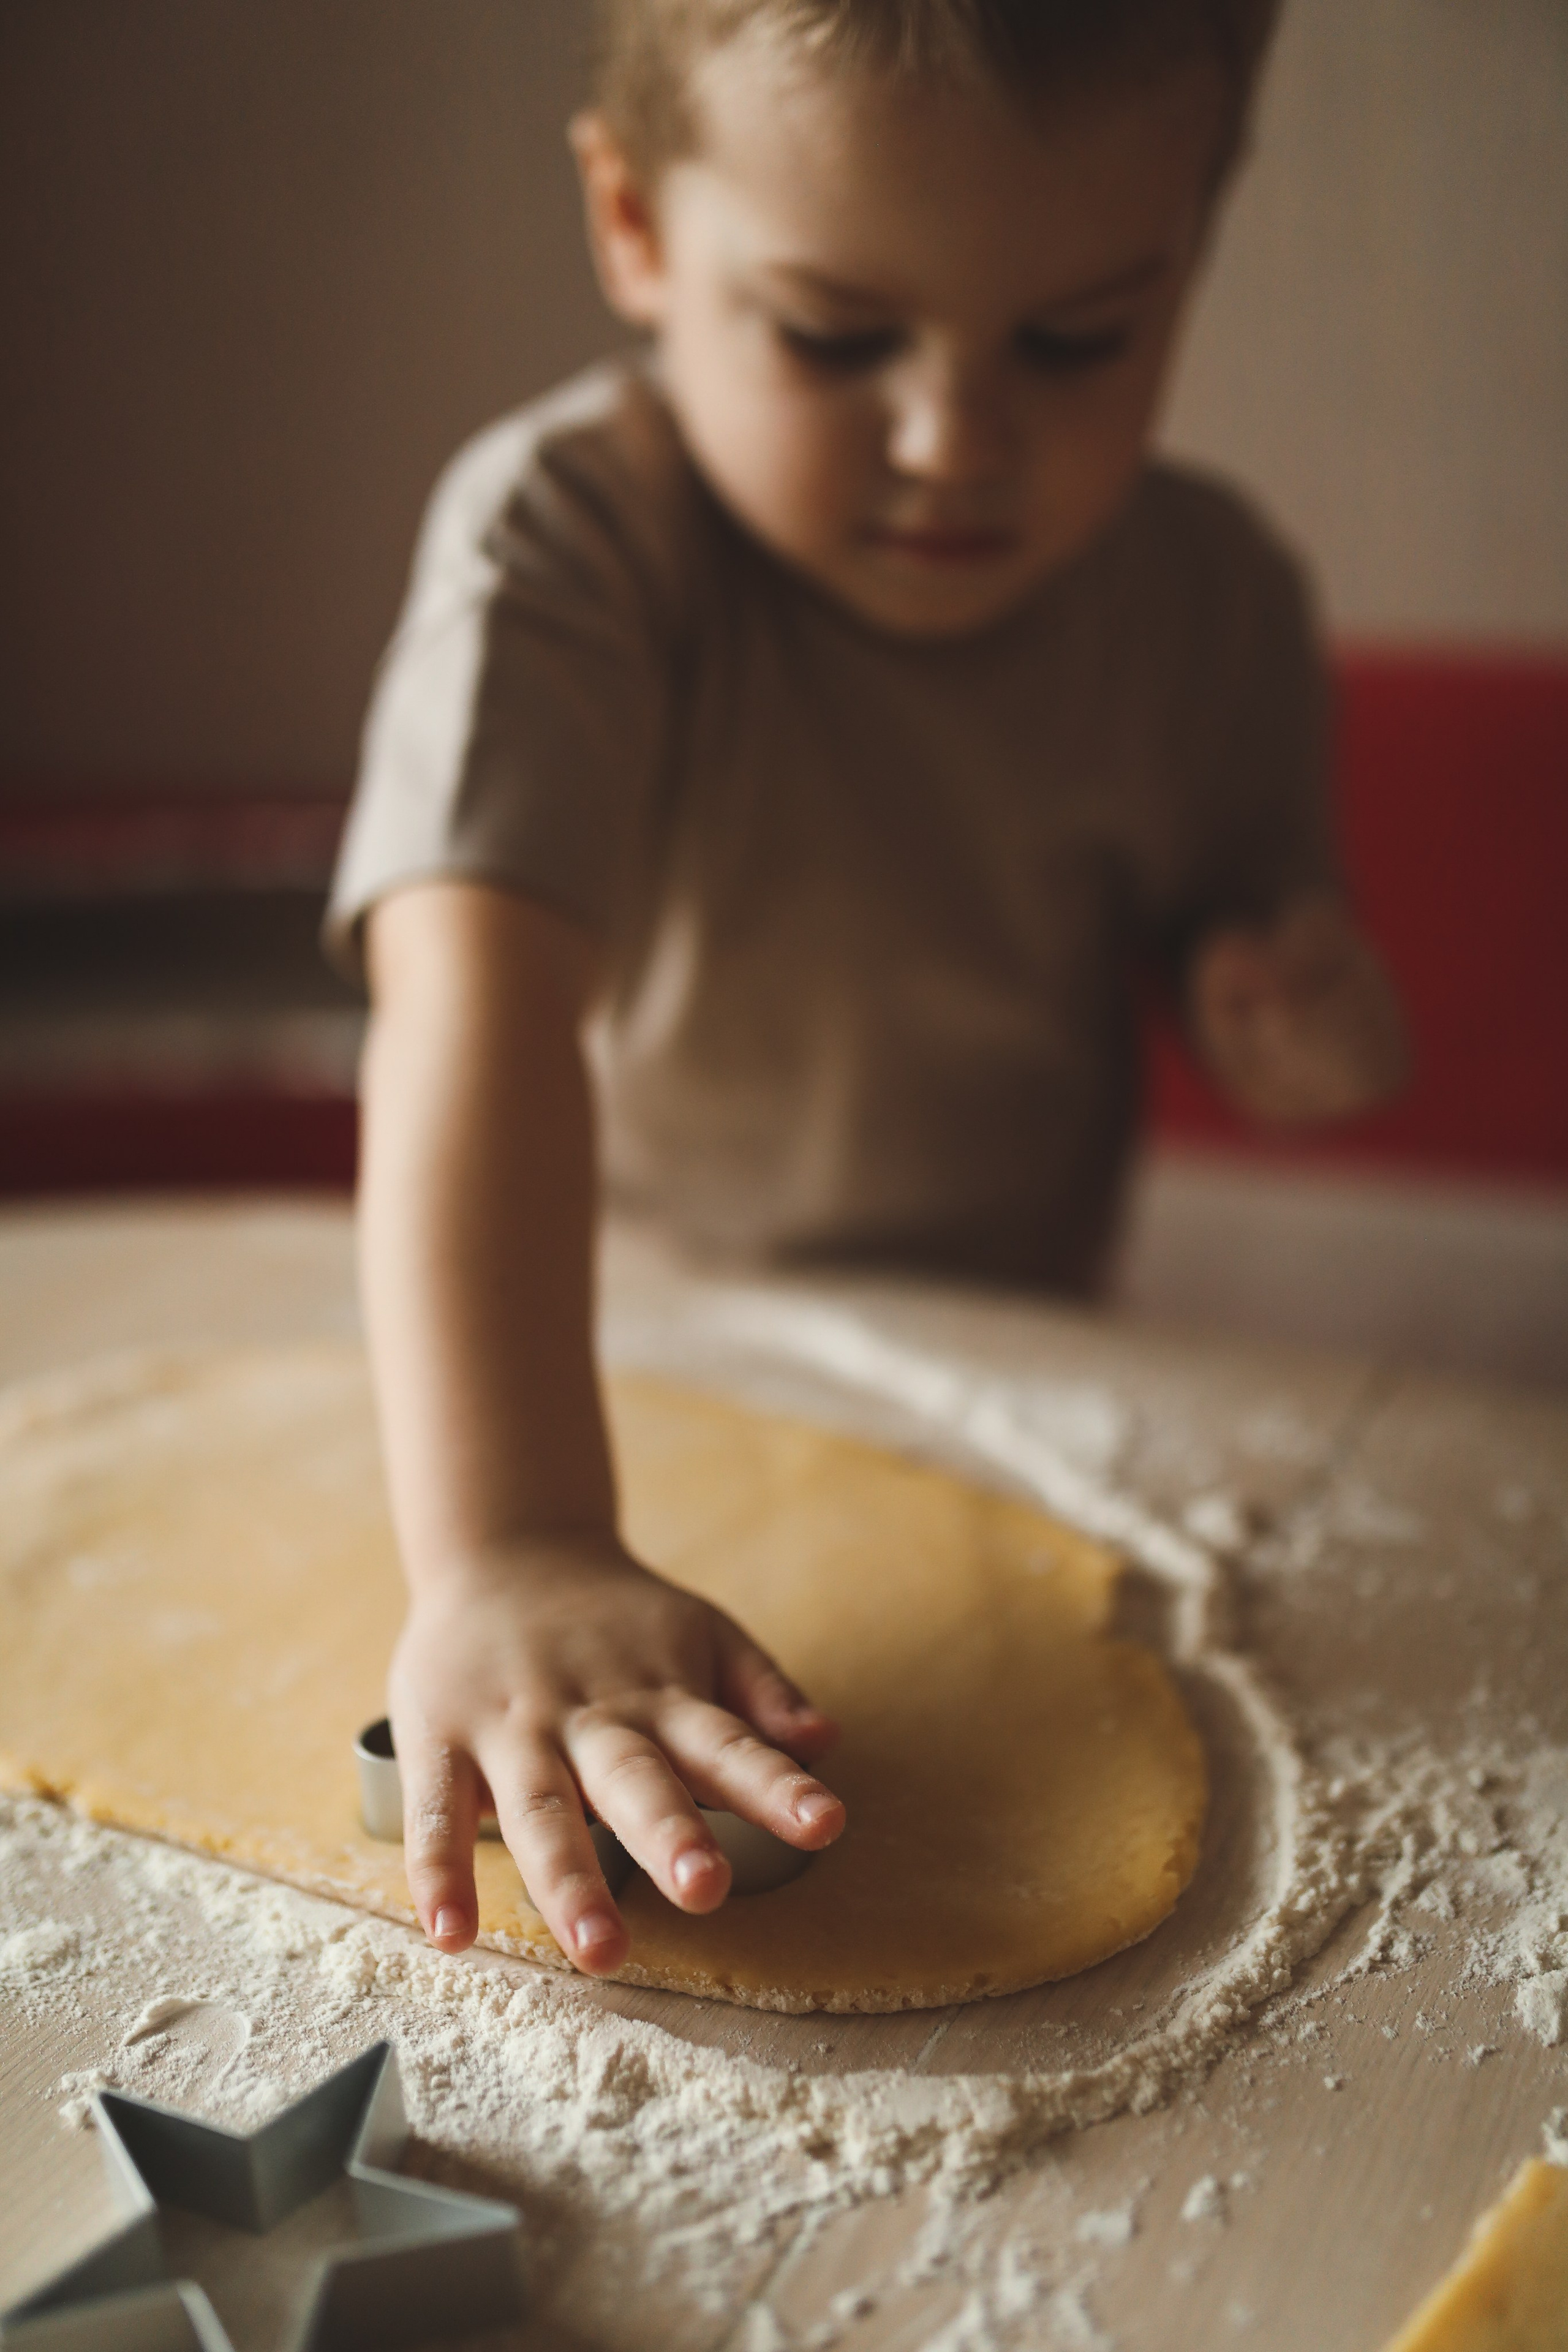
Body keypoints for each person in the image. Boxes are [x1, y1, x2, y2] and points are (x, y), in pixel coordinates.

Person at [327, 0, 1406, 1978]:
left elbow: (1267, 944)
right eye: (836, 334)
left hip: (1025, 1375)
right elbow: (462, 1008)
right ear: (638, 225)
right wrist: (517, 1540)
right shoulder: (569, 545)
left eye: (1081, 337)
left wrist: (1302, 1015)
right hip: (597, 1365)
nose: (952, 439)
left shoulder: (1215, 599)